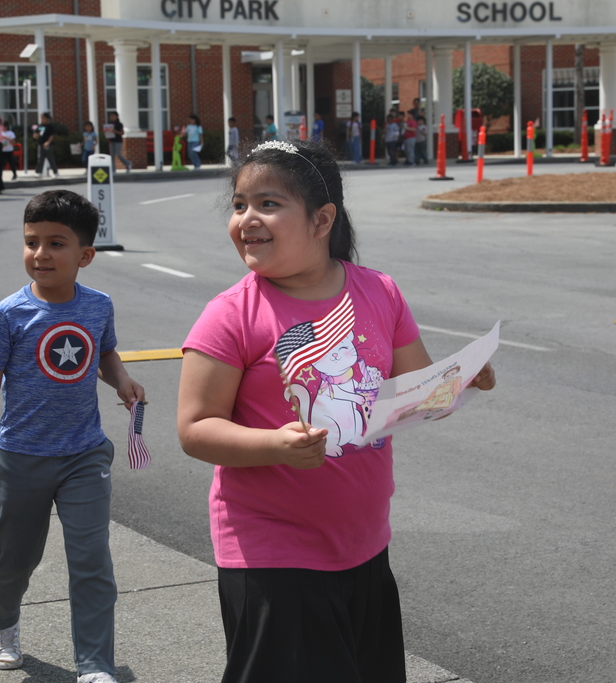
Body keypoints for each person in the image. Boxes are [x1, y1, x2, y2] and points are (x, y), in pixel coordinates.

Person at [177, 139, 496, 683]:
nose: (247, 220)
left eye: (268, 204)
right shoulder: (230, 314)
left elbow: (410, 392)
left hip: (364, 546)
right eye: (239, 205)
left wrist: (459, 379)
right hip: (272, 554)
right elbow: (194, 428)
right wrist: (274, 445)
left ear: (322, 219)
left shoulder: (380, 292)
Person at [0, 190, 145, 683]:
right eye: (32, 242)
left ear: (85, 255)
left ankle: (95, 665)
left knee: (92, 561)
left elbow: (104, 354)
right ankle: (3, 624)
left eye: (56, 243)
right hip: (21, 457)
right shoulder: (8, 315)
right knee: (15, 557)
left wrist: (121, 380)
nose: (41, 254)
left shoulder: (98, 306)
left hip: (85, 454)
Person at [33, 112, 58, 177]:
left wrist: (48, 142)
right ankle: (39, 172)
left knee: (51, 159)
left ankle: (55, 172)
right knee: (40, 159)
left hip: (48, 145)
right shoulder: (40, 126)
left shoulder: (49, 127)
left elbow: (51, 135)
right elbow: (37, 134)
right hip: (41, 145)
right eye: (41, 118)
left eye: (43, 118)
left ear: (47, 119)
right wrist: (35, 135)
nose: (42, 119)